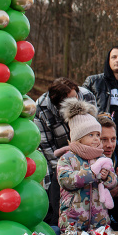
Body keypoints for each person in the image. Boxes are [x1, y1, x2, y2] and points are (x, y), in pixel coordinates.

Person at [34, 77, 97, 226]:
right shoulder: (41, 108)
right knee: (57, 197)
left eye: (76, 97)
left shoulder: (86, 96)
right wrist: (69, 170)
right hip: (59, 156)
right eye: (70, 100)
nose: (76, 100)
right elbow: (47, 148)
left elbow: (93, 131)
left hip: (87, 153)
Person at [54, 98, 118, 232]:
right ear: (79, 137)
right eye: (91, 135)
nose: (96, 139)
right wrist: (92, 173)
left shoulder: (101, 158)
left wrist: (107, 177)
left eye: (97, 135)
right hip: (73, 221)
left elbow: (113, 181)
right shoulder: (67, 158)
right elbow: (66, 180)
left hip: (99, 221)